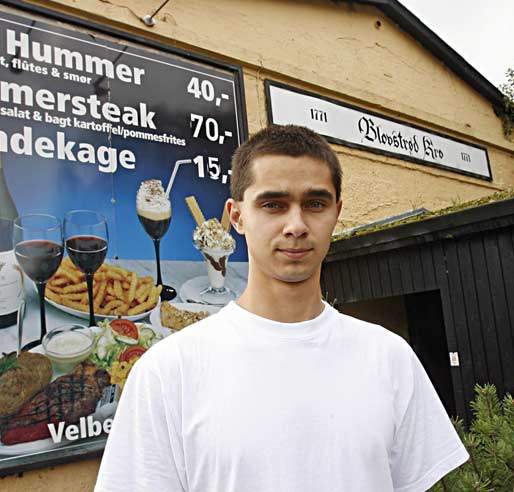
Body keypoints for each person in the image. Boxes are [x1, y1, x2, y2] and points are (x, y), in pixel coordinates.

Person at [94, 125, 468, 491]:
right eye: (273, 204)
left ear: (337, 213)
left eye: (315, 204)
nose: (296, 225)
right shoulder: (165, 373)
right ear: (237, 216)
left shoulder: (390, 357)